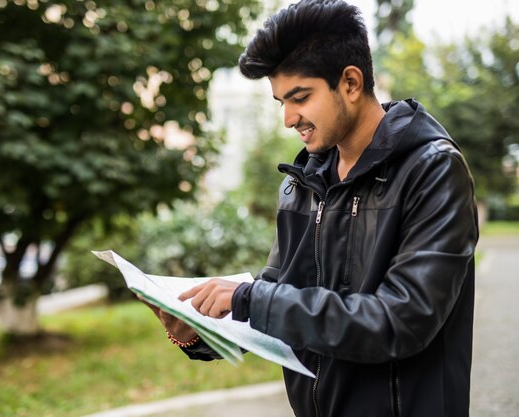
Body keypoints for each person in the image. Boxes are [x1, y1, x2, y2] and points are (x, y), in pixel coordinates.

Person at [144, 1, 479, 416]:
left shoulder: (433, 171)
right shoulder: (302, 184)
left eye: (299, 97)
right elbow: (276, 305)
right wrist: (195, 332)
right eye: (280, 101)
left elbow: (401, 321)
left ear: (351, 83)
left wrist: (252, 300)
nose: (288, 118)